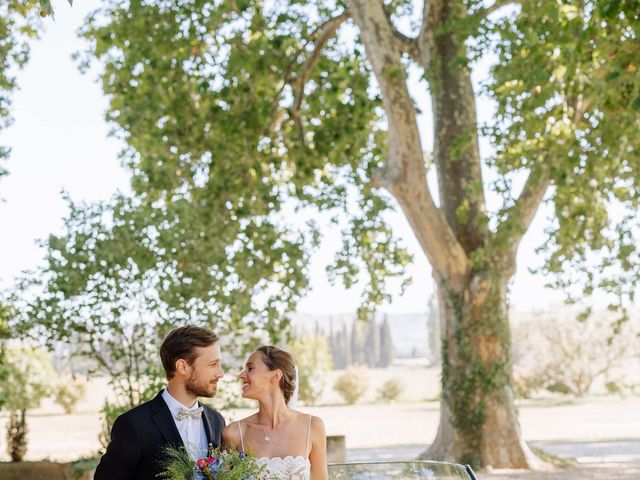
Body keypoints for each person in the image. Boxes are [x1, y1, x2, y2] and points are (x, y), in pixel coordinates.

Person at [94, 325, 226, 480]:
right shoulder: (133, 424)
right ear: (182, 367)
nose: (220, 373)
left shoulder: (217, 421)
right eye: (213, 364)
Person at [222, 345, 328, 480]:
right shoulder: (234, 433)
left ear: (275, 375)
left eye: (250, 368)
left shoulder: (312, 426)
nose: (242, 375)